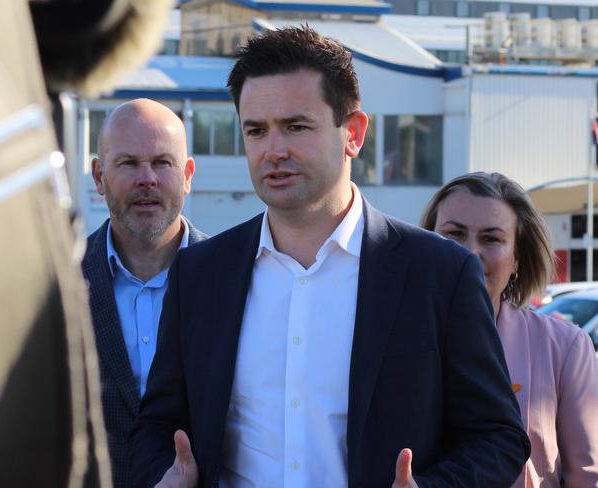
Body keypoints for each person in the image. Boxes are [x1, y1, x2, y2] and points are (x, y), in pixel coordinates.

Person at [131, 26, 530, 487]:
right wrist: (165, 477)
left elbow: (498, 436)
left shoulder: (439, 274)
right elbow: (156, 427)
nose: (274, 150)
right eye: (256, 130)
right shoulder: (201, 273)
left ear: (353, 134)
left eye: (296, 126)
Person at [421, 171, 598, 488]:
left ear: (517, 258)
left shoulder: (565, 348)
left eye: (491, 238)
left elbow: (587, 477)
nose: (469, 252)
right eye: (454, 234)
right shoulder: (393, 338)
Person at [82, 98, 207, 487]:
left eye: (162, 163)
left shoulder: (236, 282)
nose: (147, 179)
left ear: (187, 174)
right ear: (99, 176)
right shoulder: (58, 285)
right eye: (129, 163)